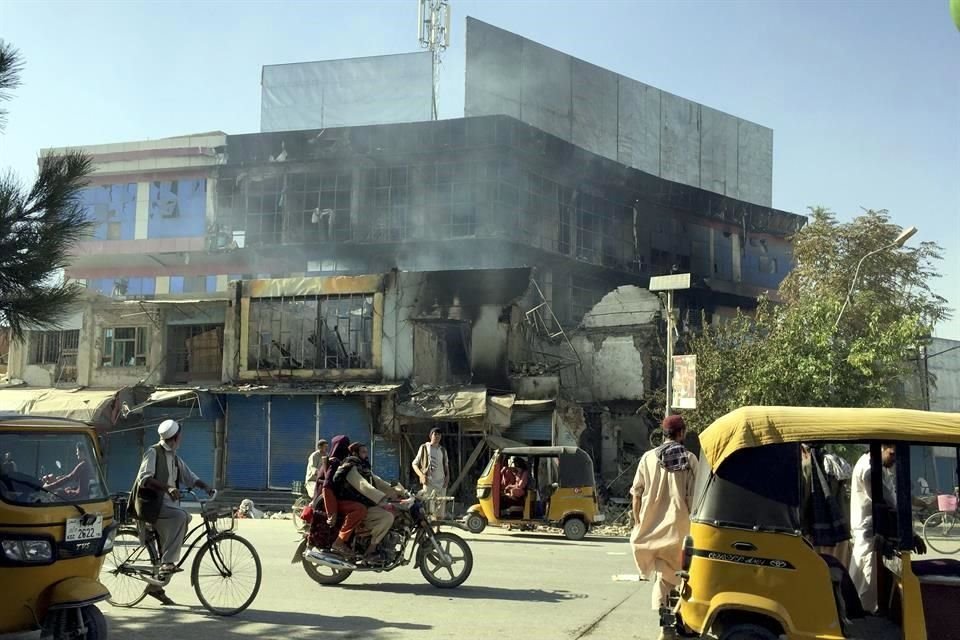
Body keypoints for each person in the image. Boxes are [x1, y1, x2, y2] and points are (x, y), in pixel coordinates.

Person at [630, 414, 698, 640]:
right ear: (681, 433)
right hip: (681, 530)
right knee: (684, 579)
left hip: (653, 531)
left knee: (663, 580)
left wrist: (640, 523)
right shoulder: (689, 459)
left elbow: (636, 494)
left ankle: (667, 627)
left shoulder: (648, 458)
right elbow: (695, 498)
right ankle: (683, 625)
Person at [133, 419, 213, 605]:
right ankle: (167, 562)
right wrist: (168, 488)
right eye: (181, 436)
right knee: (181, 516)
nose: (181, 438)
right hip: (152, 505)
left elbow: (189, 477)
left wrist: (206, 487)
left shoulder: (174, 457)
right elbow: (144, 479)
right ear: (176, 437)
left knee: (184, 518)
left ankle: (156, 585)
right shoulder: (153, 453)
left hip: (167, 506)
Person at [848, 444, 898, 613]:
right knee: (866, 580)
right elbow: (887, 501)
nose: (894, 459)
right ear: (882, 448)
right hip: (870, 530)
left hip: (871, 530)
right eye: (892, 454)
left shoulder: (876, 466)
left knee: (863, 576)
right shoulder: (869, 470)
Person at [333, 441, 402, 562]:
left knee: (392, 513)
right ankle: (371, 551)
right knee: (387, 517)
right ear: (355, 453)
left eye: (366, 452)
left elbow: (377, 481)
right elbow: (363, 485)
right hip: (353, 504)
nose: (366, 455)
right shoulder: (350, 466)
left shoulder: (363, 467)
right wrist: (381, 498)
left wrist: (398, 491)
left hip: (364, 503)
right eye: (363, 452)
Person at [321, 435, 367, 556]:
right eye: (344, 446)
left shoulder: (340, 462)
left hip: (336, 498)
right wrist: (332, 512)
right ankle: (339, 542)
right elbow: (327, 487)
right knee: (360, 509)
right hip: (333, 501)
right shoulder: (334, 462)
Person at [412, 427, 450, 520]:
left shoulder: (443, 450)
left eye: (439, 435)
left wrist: (447, 477)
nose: (437, 436)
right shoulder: (424, 447)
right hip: (429, 482)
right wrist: (421, 475)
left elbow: (446, 465)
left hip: (441, 482)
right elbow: (414, 464)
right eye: (435, 434)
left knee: (440, 508)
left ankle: (438, 531)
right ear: (430, 436)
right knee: (428, 507)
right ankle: (428, 530)